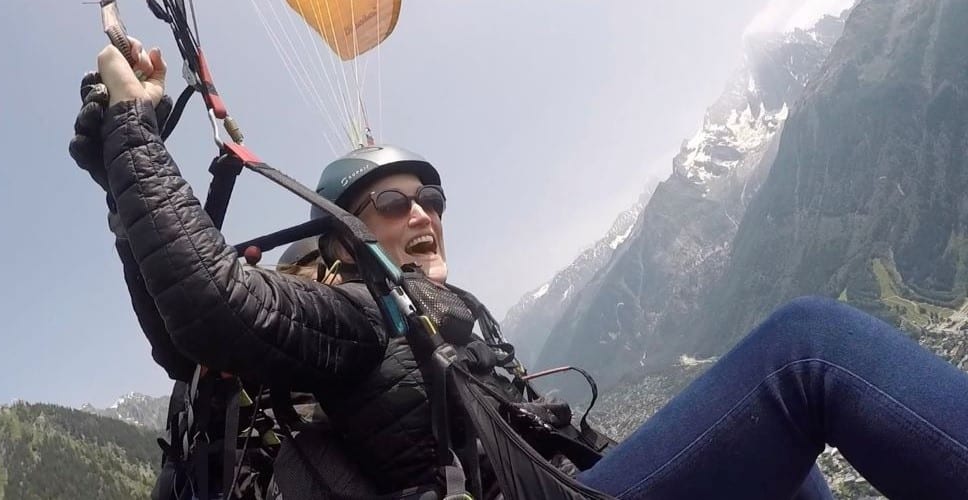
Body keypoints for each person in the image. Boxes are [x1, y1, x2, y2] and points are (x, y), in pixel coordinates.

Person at [70, 40, 968, 499]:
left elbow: (176, 335)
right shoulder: (351, 314)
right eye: (391, 203)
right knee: (807, 354)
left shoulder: (396, 317)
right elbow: (201, 307)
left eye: (432, 197)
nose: (422, 212)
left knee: (783, 474)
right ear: (342, 241)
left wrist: (117, 168)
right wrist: (131, 130)